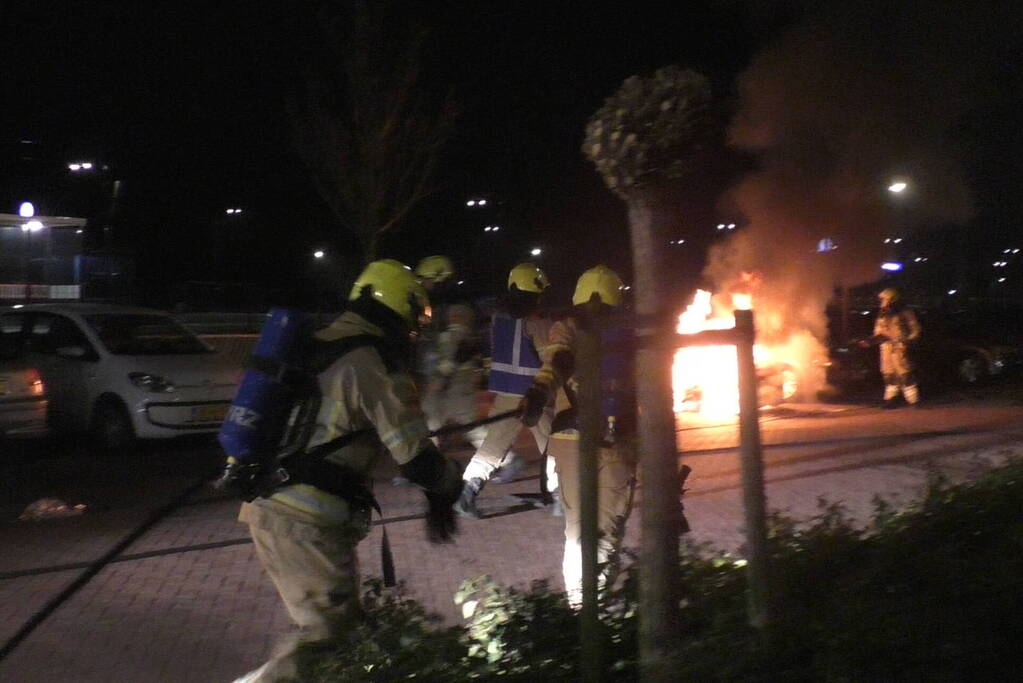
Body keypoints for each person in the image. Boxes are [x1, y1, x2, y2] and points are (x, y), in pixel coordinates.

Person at [233, 259, 462, 683]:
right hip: (304, 522)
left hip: (281, 508)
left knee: (342, 632)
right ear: (400, 307)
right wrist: (450, 486)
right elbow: (415, 456)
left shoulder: (323, 342)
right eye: (415, 318)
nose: (414, 330)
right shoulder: (372, 362)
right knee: (325, 643)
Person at [520, 264, 636, 605]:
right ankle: (593, 609)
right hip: (615, 445)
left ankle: (580, 607)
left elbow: (555, 361)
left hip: (571, 443)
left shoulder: (565, 329)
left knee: (578, 531)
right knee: (604, 531)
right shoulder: (628, 335)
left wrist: (539, 392)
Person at [455, 263, 560, 518]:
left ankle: (465, 495)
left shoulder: (498, 317)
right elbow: (552, 359)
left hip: (507, 392)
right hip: (536, 396)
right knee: (555, 446)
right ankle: (560, 498)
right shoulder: (537, 322)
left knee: (492, 447)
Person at [414, 255, 488, 451]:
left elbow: (456, 344)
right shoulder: (445, 306)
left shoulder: (457, 307)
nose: (424, 285)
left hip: (457, 373)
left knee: (464, 420)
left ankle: (505, 459)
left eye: (426, 280)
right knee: (431, 417)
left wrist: (442, 374)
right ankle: (427, 463)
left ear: (440, 279)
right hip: (448, 372)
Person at [871, 287, 922, 408]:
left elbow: (915, 329)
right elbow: (878, 330)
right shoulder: (882, 314)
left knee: (905, 373)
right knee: (888, 374)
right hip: (886, 347)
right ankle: (891, 400)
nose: (882, 301)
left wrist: (908, 341)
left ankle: (913, 400)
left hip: (900, 347)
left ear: (892, 299)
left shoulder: (905, 312)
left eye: (884, 299)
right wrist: (872, 340)